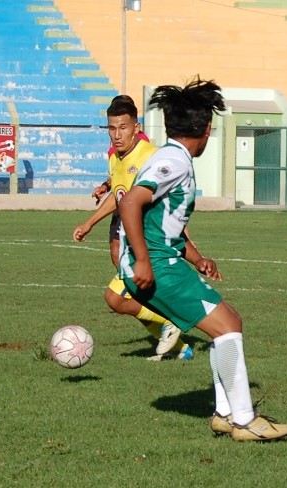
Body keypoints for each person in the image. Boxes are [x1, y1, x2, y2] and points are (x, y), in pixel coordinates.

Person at [118, 77, 287, 441]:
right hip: (155, 264)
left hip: (162, 257)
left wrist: (196, 258)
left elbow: (160, 222)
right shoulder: (173, 162)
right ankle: (244, 420)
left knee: (228, 322)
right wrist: (141, 261)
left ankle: (225, 412)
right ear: (207, 129)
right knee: (227, 326)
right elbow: (130, 202)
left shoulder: (171, 157)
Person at [73, 96, 192, 360]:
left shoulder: (150, 156)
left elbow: (169, 196)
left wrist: (184, 239)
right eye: (112, 128)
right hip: (128, 232)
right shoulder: (115, 157)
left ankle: (171, 323)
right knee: (123, 294)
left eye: (123, 127)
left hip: (147, 236)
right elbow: (119, 195)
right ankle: (179, 346)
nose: (116, 135)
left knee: (119, 297)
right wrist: (90, 221)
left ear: (136, 127)